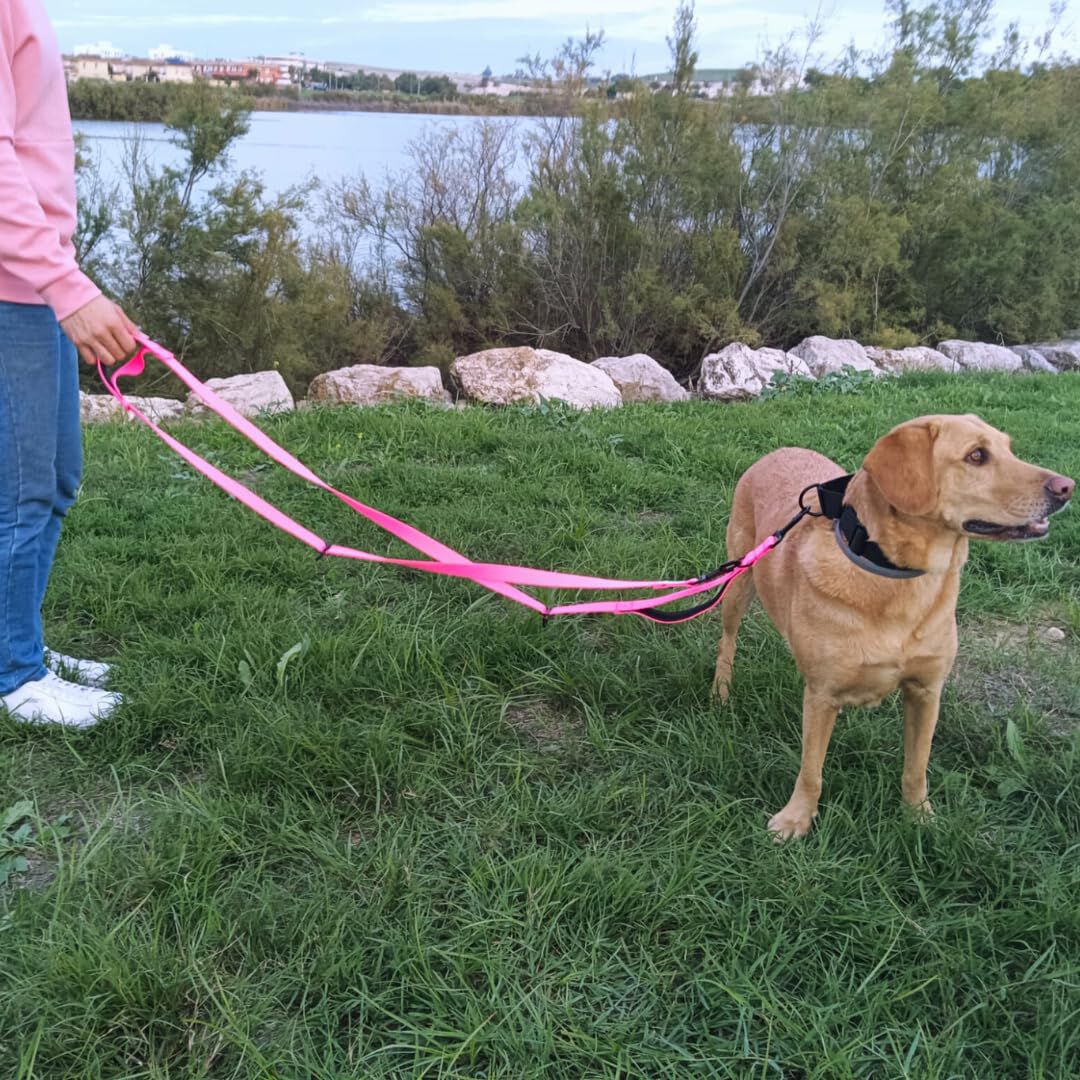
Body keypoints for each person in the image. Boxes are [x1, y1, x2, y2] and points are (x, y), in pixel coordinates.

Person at [1, 0, 138, 727]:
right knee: (20, 493)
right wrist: (65, 288)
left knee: (53, 480)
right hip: (14, 288)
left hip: (36, 280)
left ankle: (22, 644)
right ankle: (12, 675)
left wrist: (58, 276)